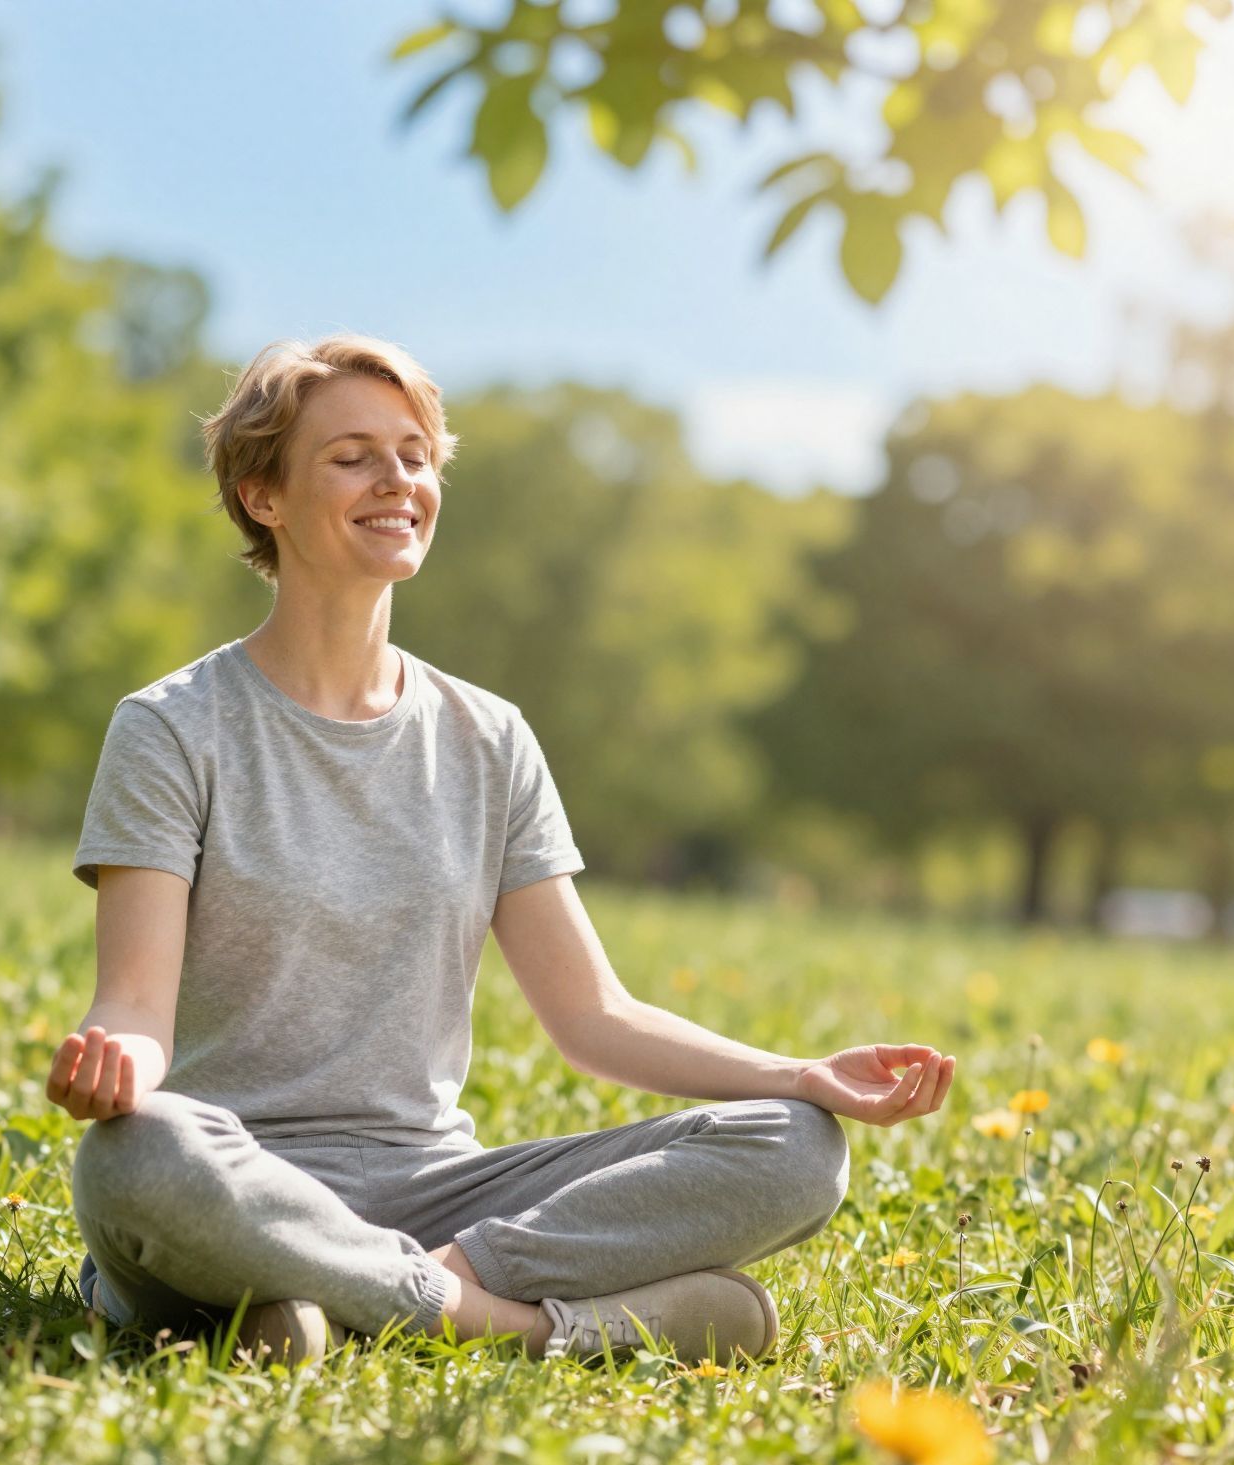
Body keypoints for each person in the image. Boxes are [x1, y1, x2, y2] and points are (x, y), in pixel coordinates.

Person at [49, 334, 955, 1366]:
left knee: (793, 1144)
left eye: (414, 454)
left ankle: (320, 1306)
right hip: (235, 1167)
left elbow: (592, 1018)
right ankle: (517, 1329)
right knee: (139, 1156)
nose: (398, 480)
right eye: (351, 457)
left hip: (440, 1189)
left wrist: (799, 1074)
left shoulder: (487, 738)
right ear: (264, 496)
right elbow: (132, 1004)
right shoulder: (173, 726)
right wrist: (116, 1059)